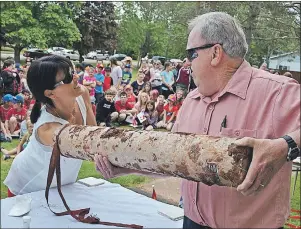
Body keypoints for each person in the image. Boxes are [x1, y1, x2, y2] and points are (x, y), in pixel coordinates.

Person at [94, 12, 300, 228]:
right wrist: (125, 167)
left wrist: (287, 146)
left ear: (215, 53)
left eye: (191, 54)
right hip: (191, 222)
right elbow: (170, 158)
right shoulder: (192, 100)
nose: (186, 62)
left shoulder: (277, 93)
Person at [4, 55, 96, 197]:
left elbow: (95, 134)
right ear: (50, 93)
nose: (76, 78)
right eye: (67, 78)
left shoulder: (81, 92)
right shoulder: (47, 128)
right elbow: (90, 143)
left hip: (60, 183)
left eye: (73, 72)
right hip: (29, 185)